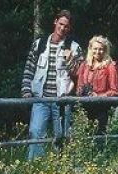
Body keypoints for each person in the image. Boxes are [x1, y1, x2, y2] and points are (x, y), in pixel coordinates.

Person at [21, 9, 82, 160]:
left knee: (62, 137)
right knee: (35, 134)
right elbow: (29, 69)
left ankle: (61, 169)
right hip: (40, 99)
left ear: (70, 28)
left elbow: (78, 76)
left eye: (66, 26)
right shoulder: (39, 44)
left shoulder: (74, 47)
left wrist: (70, 60)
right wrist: (26, 91)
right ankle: (35, 167)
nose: (62, 28)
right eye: (61, 24)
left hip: (62, 101)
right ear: (55, 22)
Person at [75, 35, 118, 133]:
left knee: (99, 136)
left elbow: (115, 91)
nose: (97, 52)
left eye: (101, 49)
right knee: (84, 135)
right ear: (90, 49)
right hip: (85, 106)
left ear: (105, 50)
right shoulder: (84, 65)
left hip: (102, 107)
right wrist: (82, 92)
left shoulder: (110, 67)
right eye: (95, 48)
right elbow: (79, 86)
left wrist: (99, 96)